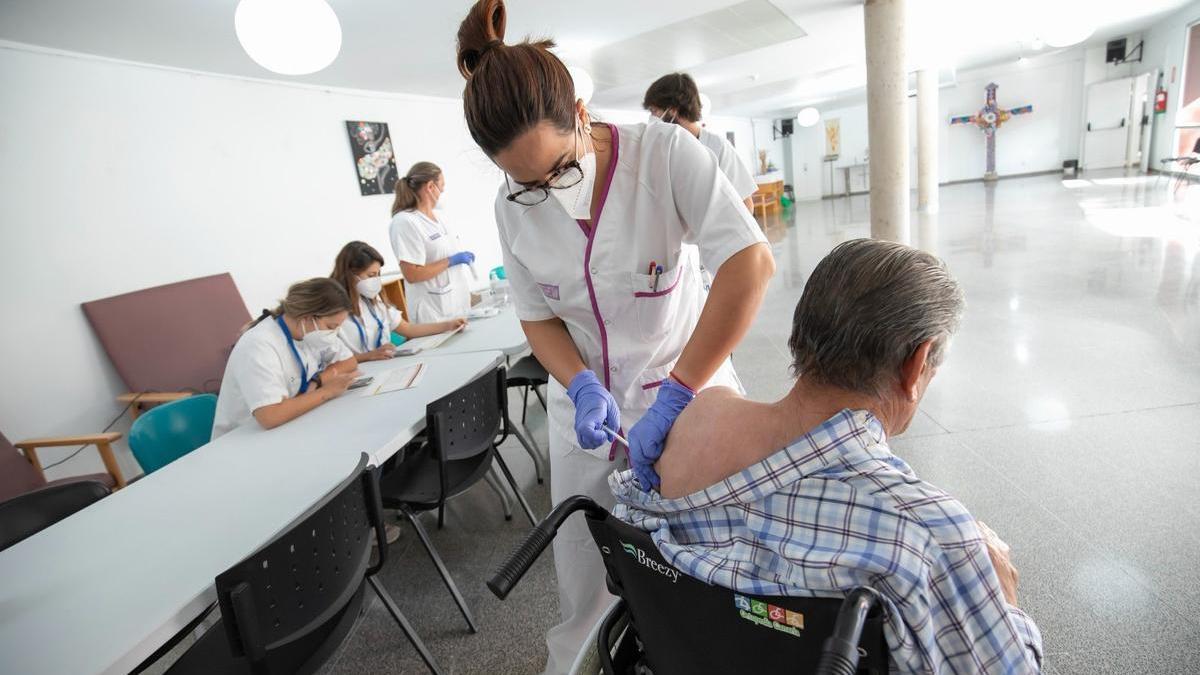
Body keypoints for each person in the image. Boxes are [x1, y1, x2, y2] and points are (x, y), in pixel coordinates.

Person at [455, 2, 776, 671]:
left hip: (687, 387)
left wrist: (678, 393)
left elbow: (749, 264)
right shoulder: (509, 206)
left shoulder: (663, 156)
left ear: (579, 111)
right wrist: (579, 382)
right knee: (586, 578)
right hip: (589, 413)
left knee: (713, 558)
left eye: (557, 170)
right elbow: (537, 315)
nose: (544, 191)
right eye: (525, 183)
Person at [611, 239, 1044, 674]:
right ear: (917, 365)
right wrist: (1006, 601)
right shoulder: (930, 535)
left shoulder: (695, 421)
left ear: (800, 333)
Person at [212, 278, 360, 439]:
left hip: (289, 424)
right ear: (307, 317)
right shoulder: (259, 344)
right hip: (245, 439)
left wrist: (318, 380)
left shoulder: (311, 334)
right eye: (331, 326)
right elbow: (270, 416)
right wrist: (326, 392)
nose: (334, 332)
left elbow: (349, 361)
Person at [330, 240, 467, 361]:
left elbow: (408, 329)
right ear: (350, 274)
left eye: (378, 274)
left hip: (383, 366)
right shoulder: (331, 309)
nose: (376, 280)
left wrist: (448, 325)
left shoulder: (373, 301)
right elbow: (328, 361)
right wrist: (369, 356)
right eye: (371, 275)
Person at [643, 72, 758, 211]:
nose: (652, 117)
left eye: (654, 111)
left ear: (672, 110)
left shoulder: (717, 147)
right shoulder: (664, 149)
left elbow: (746, 203)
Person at [388, 161, 476, 322]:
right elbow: (412, 274)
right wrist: (450, 261)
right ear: (430, 187)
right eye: (442, 187)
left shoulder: (440, 217)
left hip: (458, 305)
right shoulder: (405, 222)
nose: (443, 191)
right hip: (433, 311)